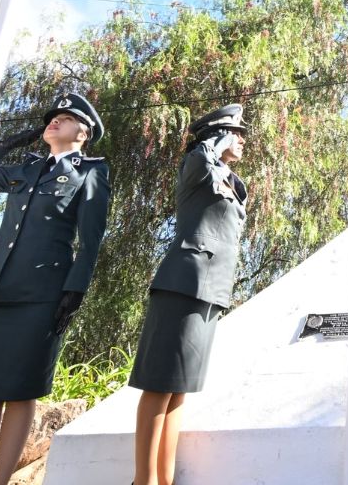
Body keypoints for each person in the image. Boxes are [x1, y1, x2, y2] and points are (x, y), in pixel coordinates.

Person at [0, 93, 112, 485]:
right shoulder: (26, 168)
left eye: (65, 118)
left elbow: (91, 240)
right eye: (51, 118)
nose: (54, 122)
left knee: (21, 392)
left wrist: (74, 290)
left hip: (43, 293)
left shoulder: (91, 171)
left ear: (84, 132)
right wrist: (10, 141)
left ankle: (0, 481)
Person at [129, 104, 250, 485]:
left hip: (212, 289)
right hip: (183, 283)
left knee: (179, 388)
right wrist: (215, 141)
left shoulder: (229, 179)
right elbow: (200, 155)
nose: (242, 140)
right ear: (218, 135)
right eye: (236, 133)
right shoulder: (197, 165)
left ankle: (164, 479)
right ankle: (143, 480)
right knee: (158, 385)